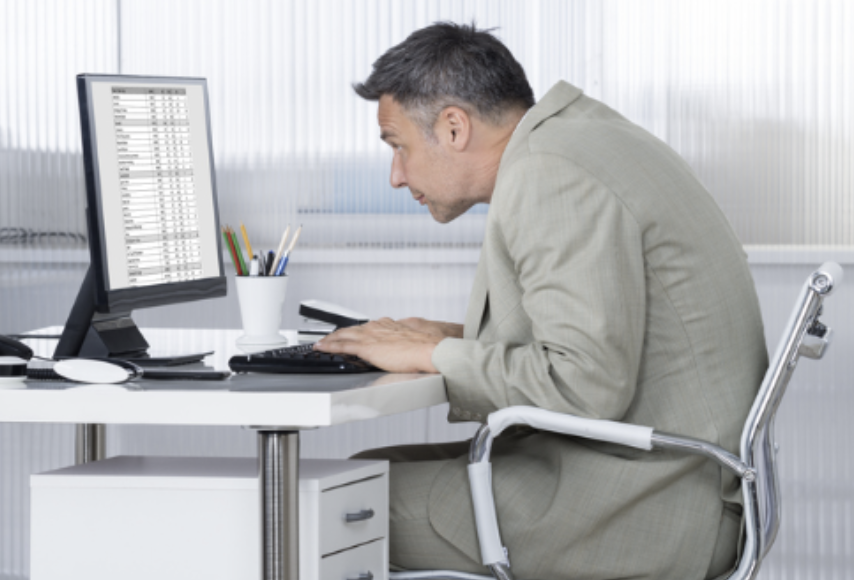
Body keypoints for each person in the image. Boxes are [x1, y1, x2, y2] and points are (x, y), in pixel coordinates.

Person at [314, 22, 768, 580]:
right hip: (681, 478)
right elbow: (602, 329)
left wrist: (434, 356)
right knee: (356, 474)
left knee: (326, 505)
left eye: (398, 145)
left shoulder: (549, 174)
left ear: (454, 126)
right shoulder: (583, 137)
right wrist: (448, 339)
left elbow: (585, 383)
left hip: (646, 505)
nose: (395, 175)